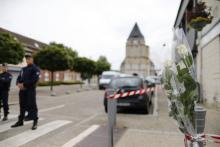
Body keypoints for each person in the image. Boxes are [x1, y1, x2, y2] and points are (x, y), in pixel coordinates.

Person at [11, 54, 40, 130]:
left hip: (30, 90)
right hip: (22, 90)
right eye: (26, 59)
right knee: (22, 105)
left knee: (32, 106)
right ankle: (20, 121)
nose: (28, 60)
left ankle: (35, 122)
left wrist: (24, 84)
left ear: (32, 59)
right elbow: (19, 77)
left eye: (29, 58)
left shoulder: (36, 69)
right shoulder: (23, 69)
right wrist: (18, 83)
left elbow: (34, 80)